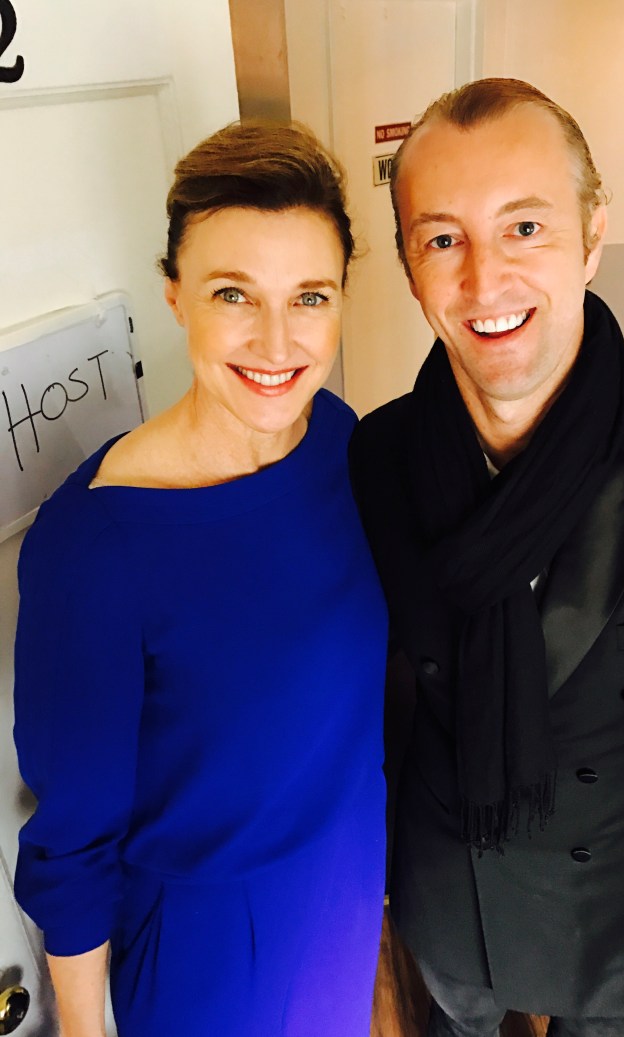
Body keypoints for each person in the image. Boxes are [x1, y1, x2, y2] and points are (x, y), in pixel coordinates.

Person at [349, 78, 624, 1037]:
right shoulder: (376, 456)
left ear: (591, 236)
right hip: (451, 885)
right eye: (443, 238)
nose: (484, 280)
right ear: (411, 268)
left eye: (526, 227)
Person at [13, 120, 387, 1037]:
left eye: (309, 296)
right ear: (176, 293)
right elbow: (73, 841)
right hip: (215, 954)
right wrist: (84, 1029)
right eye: (233, 293)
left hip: (344, 885)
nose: (276, 340)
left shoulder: (339, 437)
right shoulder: (94, 543)